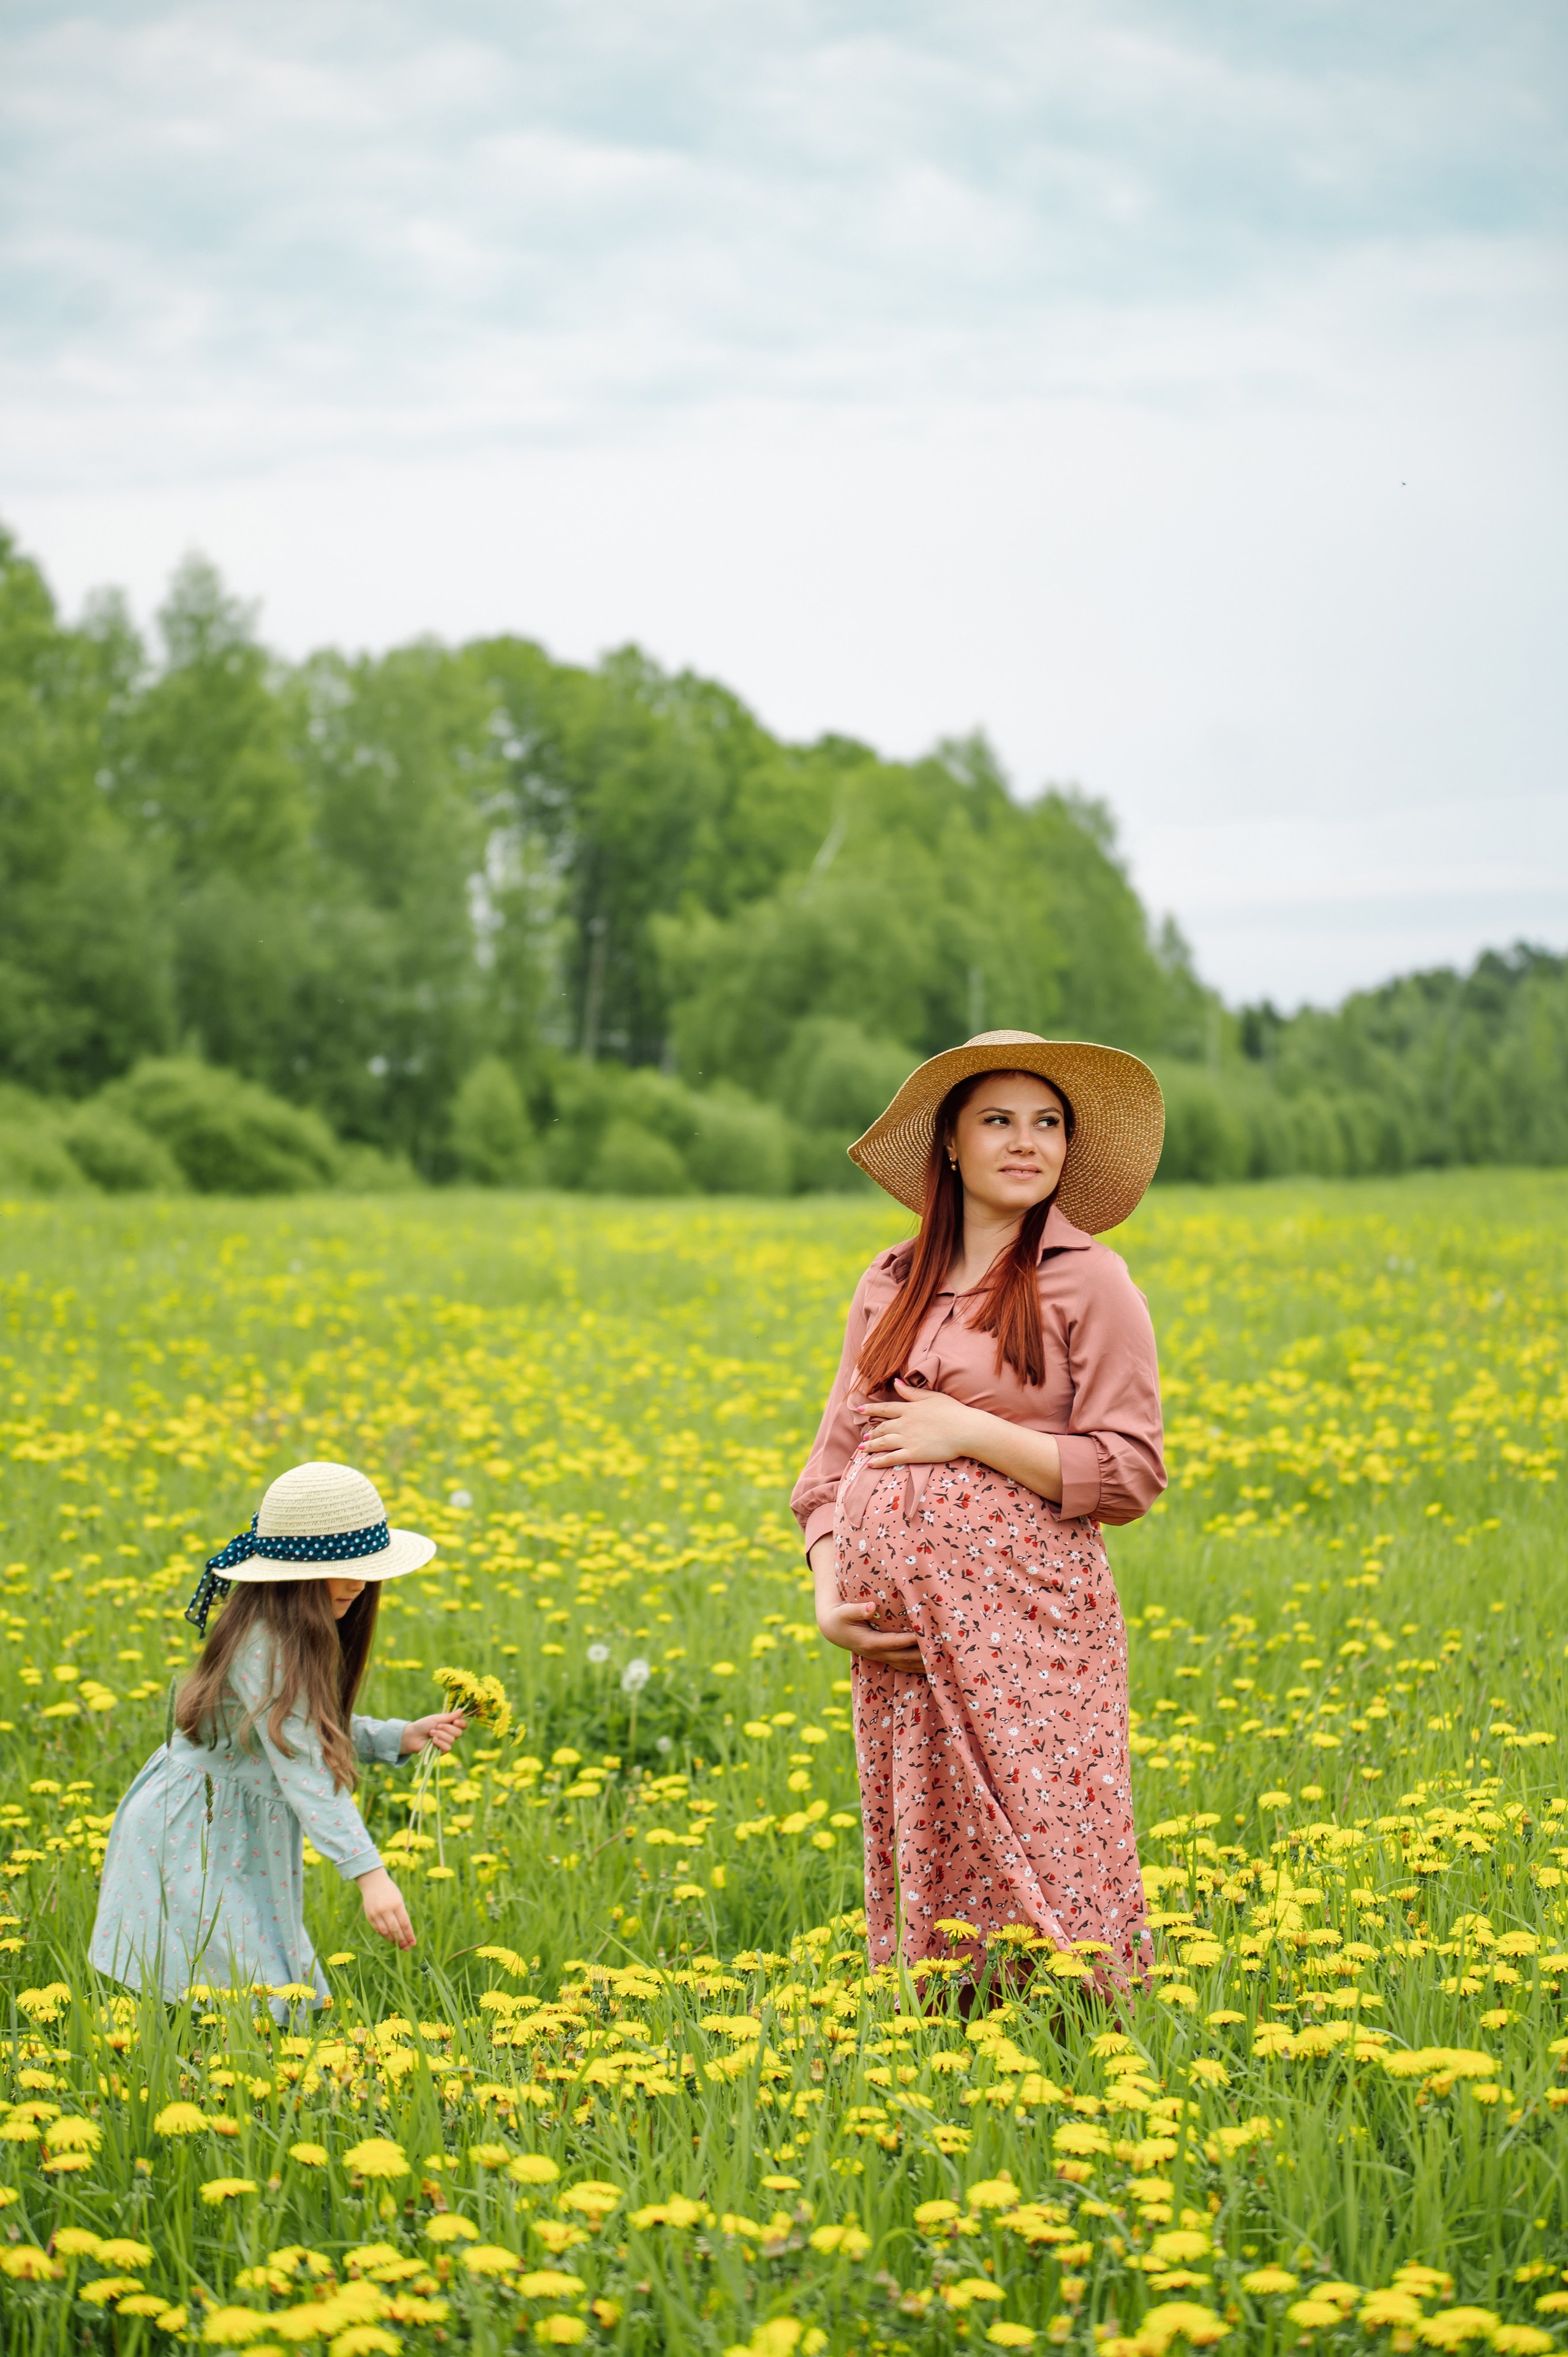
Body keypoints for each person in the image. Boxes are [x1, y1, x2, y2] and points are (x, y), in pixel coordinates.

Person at [791, 1030, 1167, 1985]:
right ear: (952, 1144)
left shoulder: (1091, 1280)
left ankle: (1084, 2033)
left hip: (1034, 1627)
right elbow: (830, 1468)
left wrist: (970, 1431)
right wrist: (830, 1599)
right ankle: (950, 2036)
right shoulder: (890, 1280)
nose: (1026, 1142)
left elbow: (1131, 1471)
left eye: (1048, 1124)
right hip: (903, 1644)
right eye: (998, 1120)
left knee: (1052, 1843)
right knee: (934, 1847)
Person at [90, 1460, 467, 2010]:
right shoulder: (265, 1646)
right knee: (250, 1986)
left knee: (250, 1984)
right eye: (345, 1567)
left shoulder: (290, 1634)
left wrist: (398, 1736)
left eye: (367, 1568)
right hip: (196, 1829)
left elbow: (302, 1727)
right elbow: (304, 1760)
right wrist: (370, 1875)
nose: (360, 1583)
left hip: (228, 1826)